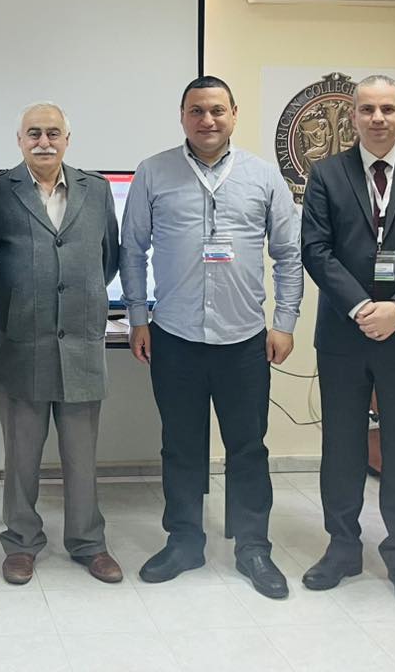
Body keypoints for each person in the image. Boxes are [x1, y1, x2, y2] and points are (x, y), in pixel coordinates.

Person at [121, 75, 303, 597]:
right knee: (180, 445)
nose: (208, 120)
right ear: (183, 116)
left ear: (234, 114)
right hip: (174, 336)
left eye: (217, 110)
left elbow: (288, 254)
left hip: (243, 339)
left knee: (247, 447)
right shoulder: (154, 172)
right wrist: (138, 317)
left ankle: (253, 547)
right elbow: (133, 248)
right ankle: (184, 541)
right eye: (197, 111)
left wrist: (285, 322)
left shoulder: (263, 176)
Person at [299, 75, 395, 610]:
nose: (378, 118)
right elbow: (316, 249)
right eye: (367, 109)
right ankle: (343, 548)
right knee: (341, 446)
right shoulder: (326, 174)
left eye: (388, 109)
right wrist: (362, 307)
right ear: (353, 116)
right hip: (345, 334)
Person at [0, 102, 122, 586]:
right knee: (21, 457)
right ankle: (21, 542)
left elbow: (108, 258)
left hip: (81, 345)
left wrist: (81, 297)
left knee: (82, 456)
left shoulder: (96, 190)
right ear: (19, 140)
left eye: (53, 133)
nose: (44, 141)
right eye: (33, 133)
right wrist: (8, 300)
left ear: (67, 140)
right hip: (21, 345)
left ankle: (88, 543)